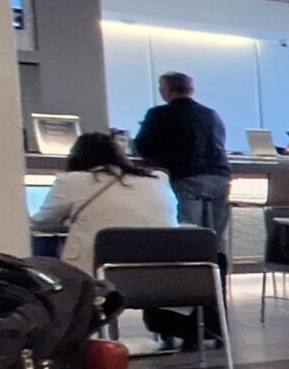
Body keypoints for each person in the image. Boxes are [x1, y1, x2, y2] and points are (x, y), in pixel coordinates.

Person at [29, 132, 179, 277]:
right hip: (160, 273)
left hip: (97, 275)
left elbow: (42, 223)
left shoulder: (73, 181)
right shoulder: (157, 179)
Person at [132, 71, 231, 241]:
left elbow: (143, 146)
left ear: (167, 90)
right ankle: (217, 265)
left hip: (187, 176)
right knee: (216, 235)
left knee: (188, 231)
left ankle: (192, 266)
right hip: (220, 177)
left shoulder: (159, 114)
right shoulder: (211, 114)